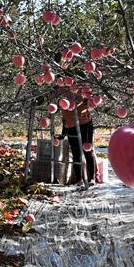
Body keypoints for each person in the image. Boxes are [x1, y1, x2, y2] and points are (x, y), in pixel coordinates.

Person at [54, 52, 97, 185]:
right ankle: (79, 178)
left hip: (84, 122)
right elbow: (56, 105)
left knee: (87, 150)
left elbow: (91, 101)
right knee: (77, 153)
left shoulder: (81, 85)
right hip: (69, 125)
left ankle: (91, 178)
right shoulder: (59, 86)